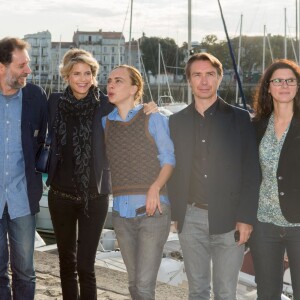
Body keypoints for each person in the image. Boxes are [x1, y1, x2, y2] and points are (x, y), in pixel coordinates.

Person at [46, 50, 157, 300]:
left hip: (94, 196)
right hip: (60, 195)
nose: (83, 79)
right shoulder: (53, 102)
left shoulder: (106, 104)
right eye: (77, 74)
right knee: (66, 263)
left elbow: (132, 111)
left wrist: (148, 108)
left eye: (88, 73)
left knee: (85, 265)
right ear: (67, 76)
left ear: (94, 76)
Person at [167, 52, 260, 300]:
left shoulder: (240, 118)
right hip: (191, 217)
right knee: (197, 290)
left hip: (230, 220)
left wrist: (246, 218)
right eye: (197, 75)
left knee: (225, 291)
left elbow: (252, 171)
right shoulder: (176, 121)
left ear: (219, 78)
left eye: (210, 74)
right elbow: (172, 169)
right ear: (189, 80)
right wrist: (177, 214)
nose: (204, 81)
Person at [102, 64, 175, 300]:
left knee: (144, 287)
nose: (111, 84)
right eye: (110, 80)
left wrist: (155, 187)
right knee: (133, 285)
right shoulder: (106, 123)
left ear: (135, 88)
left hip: (152, 213)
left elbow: (169, 160)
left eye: (119, 81)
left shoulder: (153, 118)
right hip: (121, 215)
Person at [0, 37, 47, 300]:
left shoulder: (35, 96)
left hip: (22, 198)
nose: (28, 70)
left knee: (25, 273)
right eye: (22, 65)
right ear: (1, 67)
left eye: (27, 64)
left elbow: (41, 141)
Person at [249, 59, 300, 299]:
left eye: (290, 80)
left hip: (299, 223)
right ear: (268, 87)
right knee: (267, 293)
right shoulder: (256, 126)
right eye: (277, 80)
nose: (284, 85)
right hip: (264, 223)